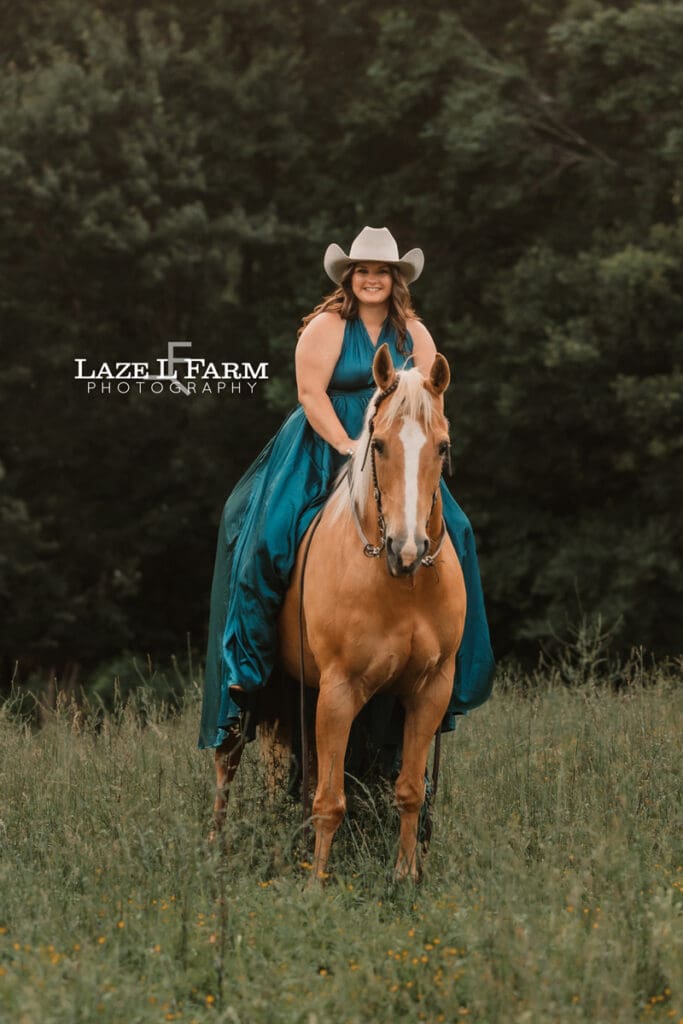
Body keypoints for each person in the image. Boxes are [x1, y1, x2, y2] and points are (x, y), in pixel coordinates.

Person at [199, 226, 495, 753]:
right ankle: (249, 667)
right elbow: (311, 394)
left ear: (396, 278)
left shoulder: (416, 334)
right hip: (324, 444)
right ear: (350, 277)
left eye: (382, 271)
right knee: (263, 534)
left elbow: (431, 403)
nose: (372, 279)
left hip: (396, 454)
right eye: (364, 271)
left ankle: (450, 664)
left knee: (461, 533)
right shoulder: (327, 326)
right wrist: (347, 446)